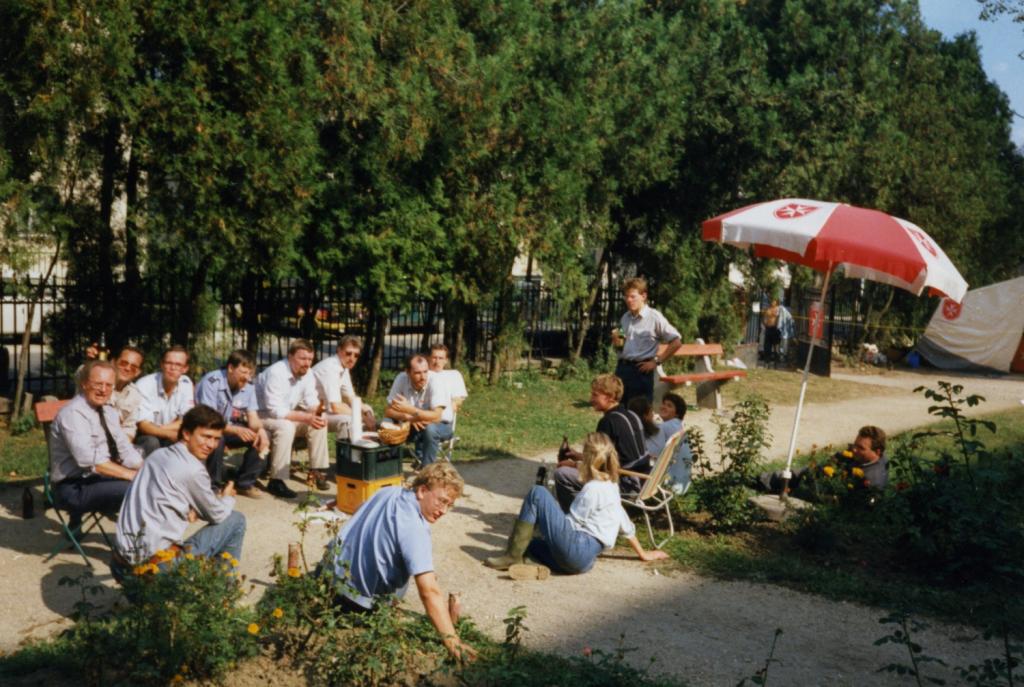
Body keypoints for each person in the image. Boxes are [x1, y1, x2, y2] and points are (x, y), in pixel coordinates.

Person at [321, 462, 475, 662]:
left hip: (329, 577)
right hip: (356, 602)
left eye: (449, 505)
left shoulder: (389, 492)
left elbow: (360, 509)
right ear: (422, 491)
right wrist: (453, 642)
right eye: (442, 501)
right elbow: (429, 592)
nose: (444, 510)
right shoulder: (415, 528)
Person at [485, 432, 668, 578]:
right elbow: (625, 524)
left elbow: (572, 523)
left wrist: (548, 520)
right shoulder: (611, 485)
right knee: (532, 544)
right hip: (586, 561)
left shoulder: (593, 488)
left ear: (587, 458)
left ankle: (512, 557)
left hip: (577, 548)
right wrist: (643, 553)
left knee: (537, 493)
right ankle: (530, 565)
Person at [113, 405, 246, 578]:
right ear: (186, 434)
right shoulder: (192, 469)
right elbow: (217, 515)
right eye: (206, 437)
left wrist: (191, 508)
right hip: (152, 573)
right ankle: (222, 590)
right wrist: (226, 498)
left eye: (216, 439)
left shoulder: (157, 455)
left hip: (119, 566)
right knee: (236, 520)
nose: (211, 445)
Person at [49, 360, 144, 527]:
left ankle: (139, 544)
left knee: (151, 483)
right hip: (72, 487)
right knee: (140, 491)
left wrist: (147, 470)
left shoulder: (108, 411)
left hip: (96, 480)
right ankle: (131, 547)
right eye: (98, 384)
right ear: (85, 384)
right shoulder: (73, 414)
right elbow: (92, 461)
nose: (103, 390)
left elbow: (125, 449)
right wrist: (131, 476)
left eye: (109, 385)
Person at [554, 374, 648, 511]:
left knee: (562, 474)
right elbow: (615, 456)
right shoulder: (631, 415)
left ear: (609, 397)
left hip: (624, 484)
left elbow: (601, 465)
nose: (591, 399)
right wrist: (580, 456)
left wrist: (574, 464)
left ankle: (574, 518)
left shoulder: (608, 422)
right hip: (641, 480)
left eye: (595, 395)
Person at [255, 339, 330, 498]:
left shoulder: (307, 372)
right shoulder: (276, 373)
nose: (307, 363)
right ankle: (276, 480)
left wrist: (318, 413)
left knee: (318, 423)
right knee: (286, 426)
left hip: (283, 414)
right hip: (259, 415)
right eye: (302, 358)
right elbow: (275, 410)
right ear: (290, 356)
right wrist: (305, 416)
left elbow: (310, 400)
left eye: (310, 359)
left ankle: (317, 470)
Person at [194, 349, 268, 497]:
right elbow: (207, 420)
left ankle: (245, 483)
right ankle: (213, 486)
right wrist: (235, 430)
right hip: (203, 427)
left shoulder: (249, 386)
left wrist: (261, 431)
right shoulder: (212, 381)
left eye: (250, 373)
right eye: (243, 372)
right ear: (230, 368)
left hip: (228, 427)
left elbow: (252, 416)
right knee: (217, 438)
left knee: (262, 437)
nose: (247, 377)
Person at [757, 426, 889, 495]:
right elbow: (818, 469)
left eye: (861, 448)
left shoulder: (873, 479)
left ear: (877, 452)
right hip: (814, 478)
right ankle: (759, 480)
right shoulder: (855, 456)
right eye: (854, 445)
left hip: (823, 496)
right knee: (790, 475)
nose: (854, 449)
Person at [611, 277, 682, 405]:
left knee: (639, 414)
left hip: (641, 371)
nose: (628, 300)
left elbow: (676, 342)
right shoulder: (625, 317)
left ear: (643, 296)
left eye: (633, 297)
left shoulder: (654, 317)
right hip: (622, 368)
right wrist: (616, 340)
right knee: (620, 410)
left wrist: (656, 362)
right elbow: (620, 345)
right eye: (626, 296)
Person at [385, 354, 453, 466]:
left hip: (441, 425)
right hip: (412, 424)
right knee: (387, 425)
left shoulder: (435, 381)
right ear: (407, 372)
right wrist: (408, 417)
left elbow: (437, 417)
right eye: (417, 373)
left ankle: (426, 473)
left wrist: (411, 410)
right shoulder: (401, 379)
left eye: (425, 371)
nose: (423, 377)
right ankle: (390, 470)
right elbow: (388, 411)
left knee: (430, 429)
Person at [134, 346, 195, 456]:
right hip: (145, 436)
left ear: (185, 369)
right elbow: (144, 426)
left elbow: (187, 420)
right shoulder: (144, 385)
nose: (172, 368)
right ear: (162, 365)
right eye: (168, 363)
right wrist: (170, 433)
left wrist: (161, 429)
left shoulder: (186, 383)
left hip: (168, 432)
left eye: (178, 365)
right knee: (152, 442)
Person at [311, 335, 376, 435]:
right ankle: (346, 450)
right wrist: (362, 417)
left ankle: (365, 446)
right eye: (348, 353)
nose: (352, 358)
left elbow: (350, 397)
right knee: (347, 420)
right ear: (339, 350)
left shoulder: (343, 367)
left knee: (367, 410)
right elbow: (335, 407)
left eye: (356, 355)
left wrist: (366, 411)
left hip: (323, 410)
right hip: (310, 413)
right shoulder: (330, 368)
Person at [427, 344, 468, 413]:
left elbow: (458, 400)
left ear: (446, 360)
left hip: (444, 419)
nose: (437, 362)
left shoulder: (454, 375)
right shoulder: (422, 375)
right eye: (434, 358)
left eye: (440, 358)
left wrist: (440, 413)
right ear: (428, 358)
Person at [762, 298, 781, 366]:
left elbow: (780, 318)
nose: (772, 302)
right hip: (768, 328)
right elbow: (764, 317)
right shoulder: (768, 309)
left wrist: (777, 325)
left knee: (776, 346)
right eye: (772, 301)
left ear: (776, 302)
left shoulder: (778, 309)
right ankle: (767, 361)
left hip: (775, 329)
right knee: (767, 345)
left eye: (774, 301)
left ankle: (776, 361)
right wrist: (765, 323)